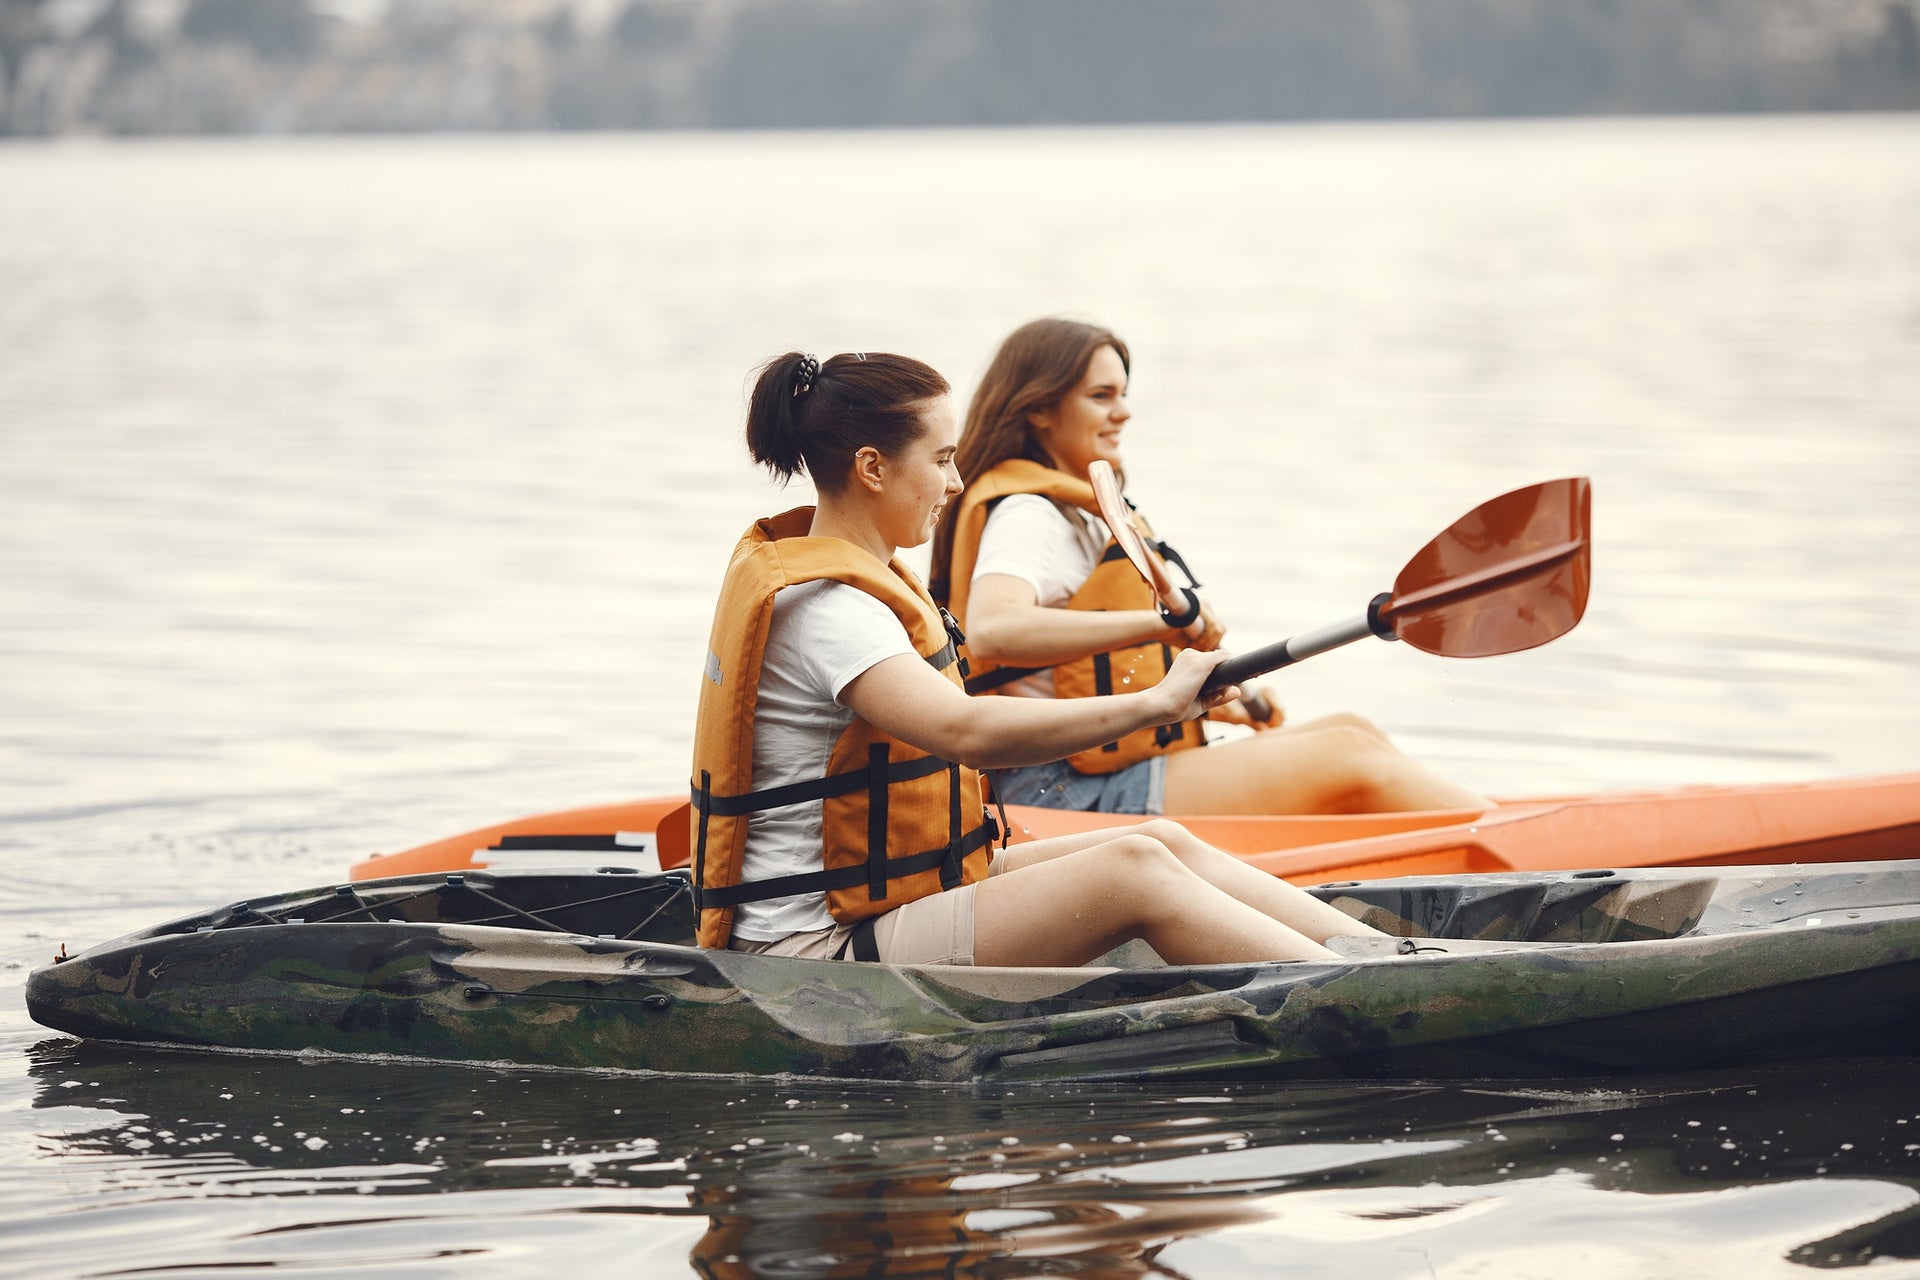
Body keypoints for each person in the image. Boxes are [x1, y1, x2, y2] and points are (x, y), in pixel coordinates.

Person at [688, 349, 1387, 968]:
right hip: (817, 952)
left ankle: (1393, 959)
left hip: (899, 899)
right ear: (872, 468)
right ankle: (1374, 997)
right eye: (940, 460)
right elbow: (962, 729)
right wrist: (1156, 702)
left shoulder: (865, 584)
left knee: (1160, 839)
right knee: (1132, 868)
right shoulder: (831, 612)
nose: (957, 482)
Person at [929, 317, 1489, 817]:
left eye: (1122, 394)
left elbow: (1113, 666)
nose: (1122, 411)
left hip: (1087, 771)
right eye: (1102, 396)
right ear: (1039, 410)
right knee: (1348, 756)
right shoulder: (1030, 513)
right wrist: (1160, 623)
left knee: (1351, 729)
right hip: (1053, 787)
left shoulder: (1078, 514)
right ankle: (1525, 857)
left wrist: (1236, 697)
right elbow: (994, 629)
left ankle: (1492, 836)